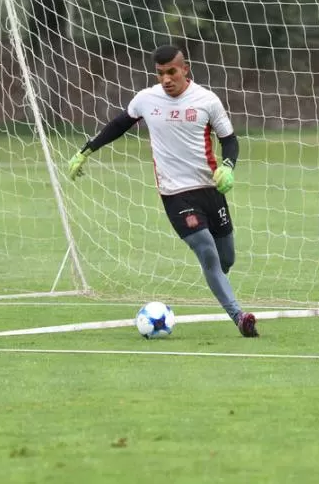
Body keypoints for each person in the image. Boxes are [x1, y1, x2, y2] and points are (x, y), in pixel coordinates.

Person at [68, 44, 258, 337]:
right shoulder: (146, 99)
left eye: (172, 72)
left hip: (210, 189)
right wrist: (86, 151)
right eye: (160, 73)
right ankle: (239, 317)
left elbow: (229, 140)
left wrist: (229, 167)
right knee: (207, 253)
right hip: (175, 194)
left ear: (185, 69)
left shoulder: (207, 100)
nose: (166, 79)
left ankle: (219, 281)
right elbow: (118, 125)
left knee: (225, 259)